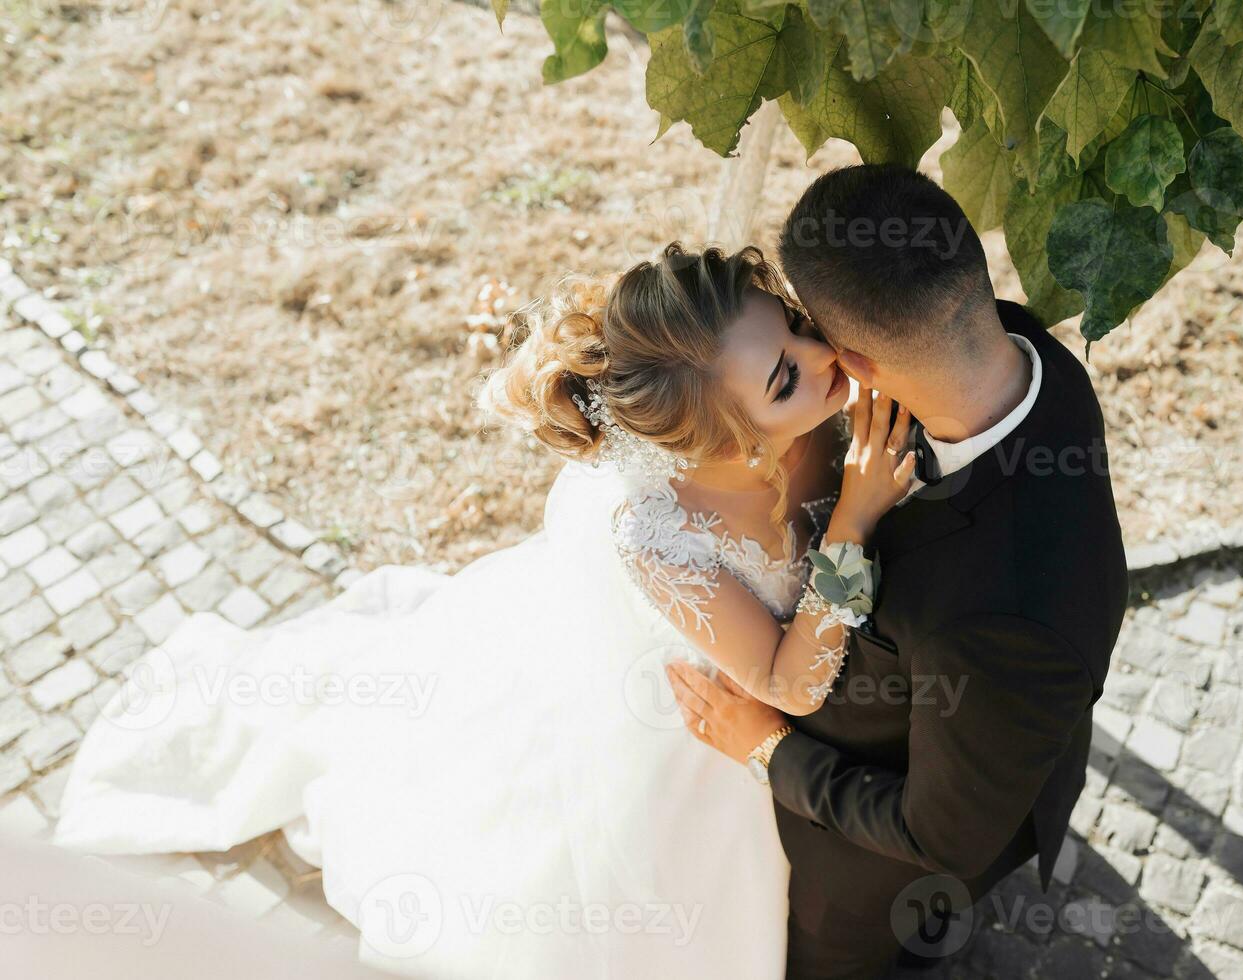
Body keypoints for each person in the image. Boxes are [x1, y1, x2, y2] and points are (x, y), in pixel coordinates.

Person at [51, 240, 914, 979]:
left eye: (797, 325)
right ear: (732, 442)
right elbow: (788, 685)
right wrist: (854, 518)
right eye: (786, 375)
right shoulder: (660, 538)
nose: (822, 354)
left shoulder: (819, 416)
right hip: (687, 735)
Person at [665, 163, 1130, 979]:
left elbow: (940, 837)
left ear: (855, 362)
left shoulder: (1001, 622)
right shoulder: (1025, 355)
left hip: (867, 872)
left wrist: (768, 749)